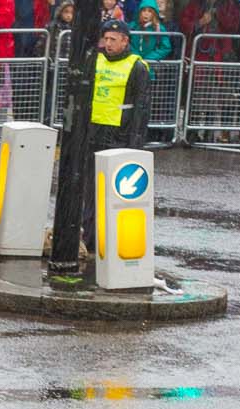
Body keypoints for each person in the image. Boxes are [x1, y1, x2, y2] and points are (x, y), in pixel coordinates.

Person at [78, 19, 150, 244]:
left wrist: (136, 141)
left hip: (120, 133)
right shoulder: (95, 60)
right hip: (94, 130)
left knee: (116, 190)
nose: (107, 44)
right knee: (90, 187)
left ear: (125, 41)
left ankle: (113, 237)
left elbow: (142, 107)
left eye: (113, 40)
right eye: (105, 39)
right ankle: (89, 236)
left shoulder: (137, 66)